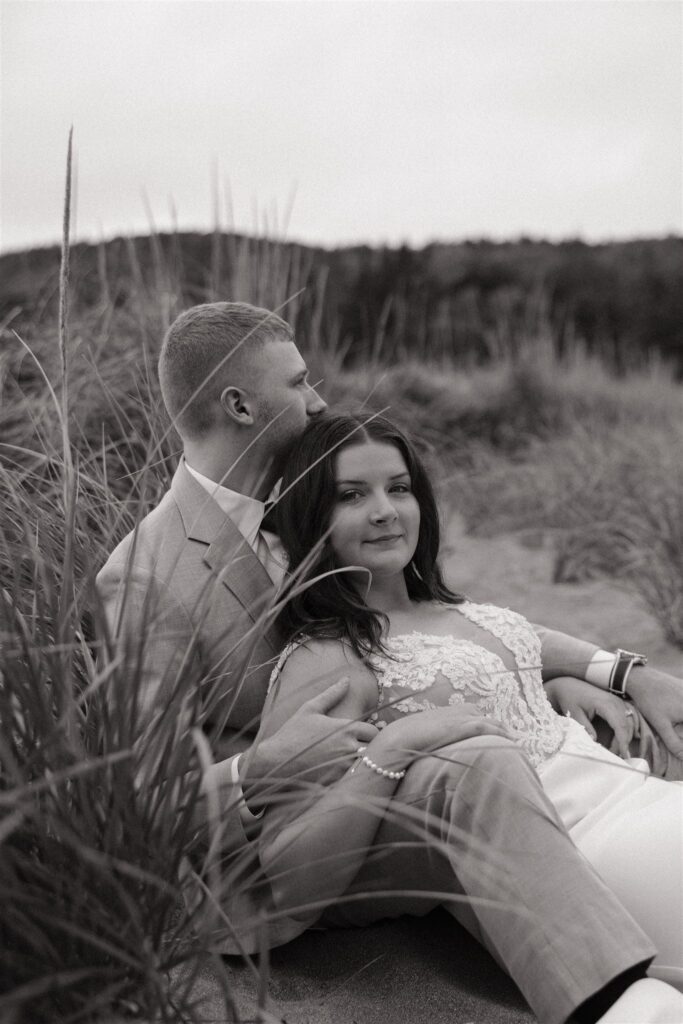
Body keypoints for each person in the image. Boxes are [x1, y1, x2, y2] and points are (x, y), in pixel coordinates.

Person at [97, 302, 683, 1023]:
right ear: (239, 404)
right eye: (300, 382)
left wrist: (600, 672)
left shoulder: (306, 505)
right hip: (286, 849)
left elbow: (433, 628)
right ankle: (623, 1005)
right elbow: (147, 796)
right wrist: (261, 766)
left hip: (433, 778)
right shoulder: (149, 573)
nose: (318, 401)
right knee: (471, 768)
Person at [257, 411, 683, 1023]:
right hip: (579, 854)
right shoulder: (328, 654)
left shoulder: (454, 610)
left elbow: (527, 645)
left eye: (398, 488)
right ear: (310, 519)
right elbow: (288, 870)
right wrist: (393, 750)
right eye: (351, 495)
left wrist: (622, 675)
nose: (385, 510)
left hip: (638, 788)